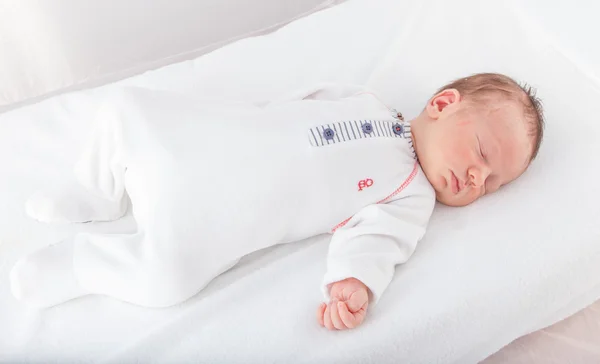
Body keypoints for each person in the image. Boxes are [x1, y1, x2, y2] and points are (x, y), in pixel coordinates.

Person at [10, 72, 544, 331]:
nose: (477, 178)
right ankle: (97, 189)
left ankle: (79, 265)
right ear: (444, 103)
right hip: (205, 141)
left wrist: (353, 283)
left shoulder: (410, 195)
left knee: (165, 278)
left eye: (493, 182)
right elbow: (295, 103)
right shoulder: (367, 101)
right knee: (126, 107)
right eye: (481, 153)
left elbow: (377, 242)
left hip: (216, 215)